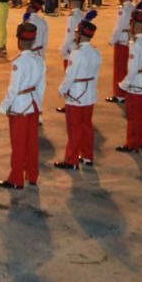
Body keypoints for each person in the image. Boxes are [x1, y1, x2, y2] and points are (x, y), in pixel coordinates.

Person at [0, 17, 45, 188]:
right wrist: (40, 107)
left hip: (20, 106)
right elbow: (42, 86)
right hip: (33, 105)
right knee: (32, 142)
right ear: (32, 40)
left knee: (18, 145)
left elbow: (13, 88)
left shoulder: (19, 62)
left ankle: (16, 178)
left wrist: (4, 106)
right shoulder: (39, 59)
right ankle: (32, 174)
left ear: (18, 40)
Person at [54, 11, 102, 169]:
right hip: (89, 94)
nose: (75, 36)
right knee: (87, 126)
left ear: (81, 35)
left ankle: (71, 159)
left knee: (74, 128)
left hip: (76, 94)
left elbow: (70, 76)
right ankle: (87, 156)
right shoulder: (96, 52)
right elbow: (95, 75)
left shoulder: (76, 54)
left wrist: (62, 90)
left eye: (77, 33)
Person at [116, 9, 142, 153]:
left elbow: (133, 69)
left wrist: (123, 84)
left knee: (133, 115)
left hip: (135, 83)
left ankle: (132, 143)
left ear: (133, 24)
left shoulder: (135, 44)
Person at [106, 0, 135, 104]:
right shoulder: (133, 7)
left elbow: (118, 27)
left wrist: (112, 39)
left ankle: (120, 94)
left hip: (122, 39)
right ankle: (128, 91)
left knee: (119, 68)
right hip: (130, 38)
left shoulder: (123, 9)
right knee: (127, 66)